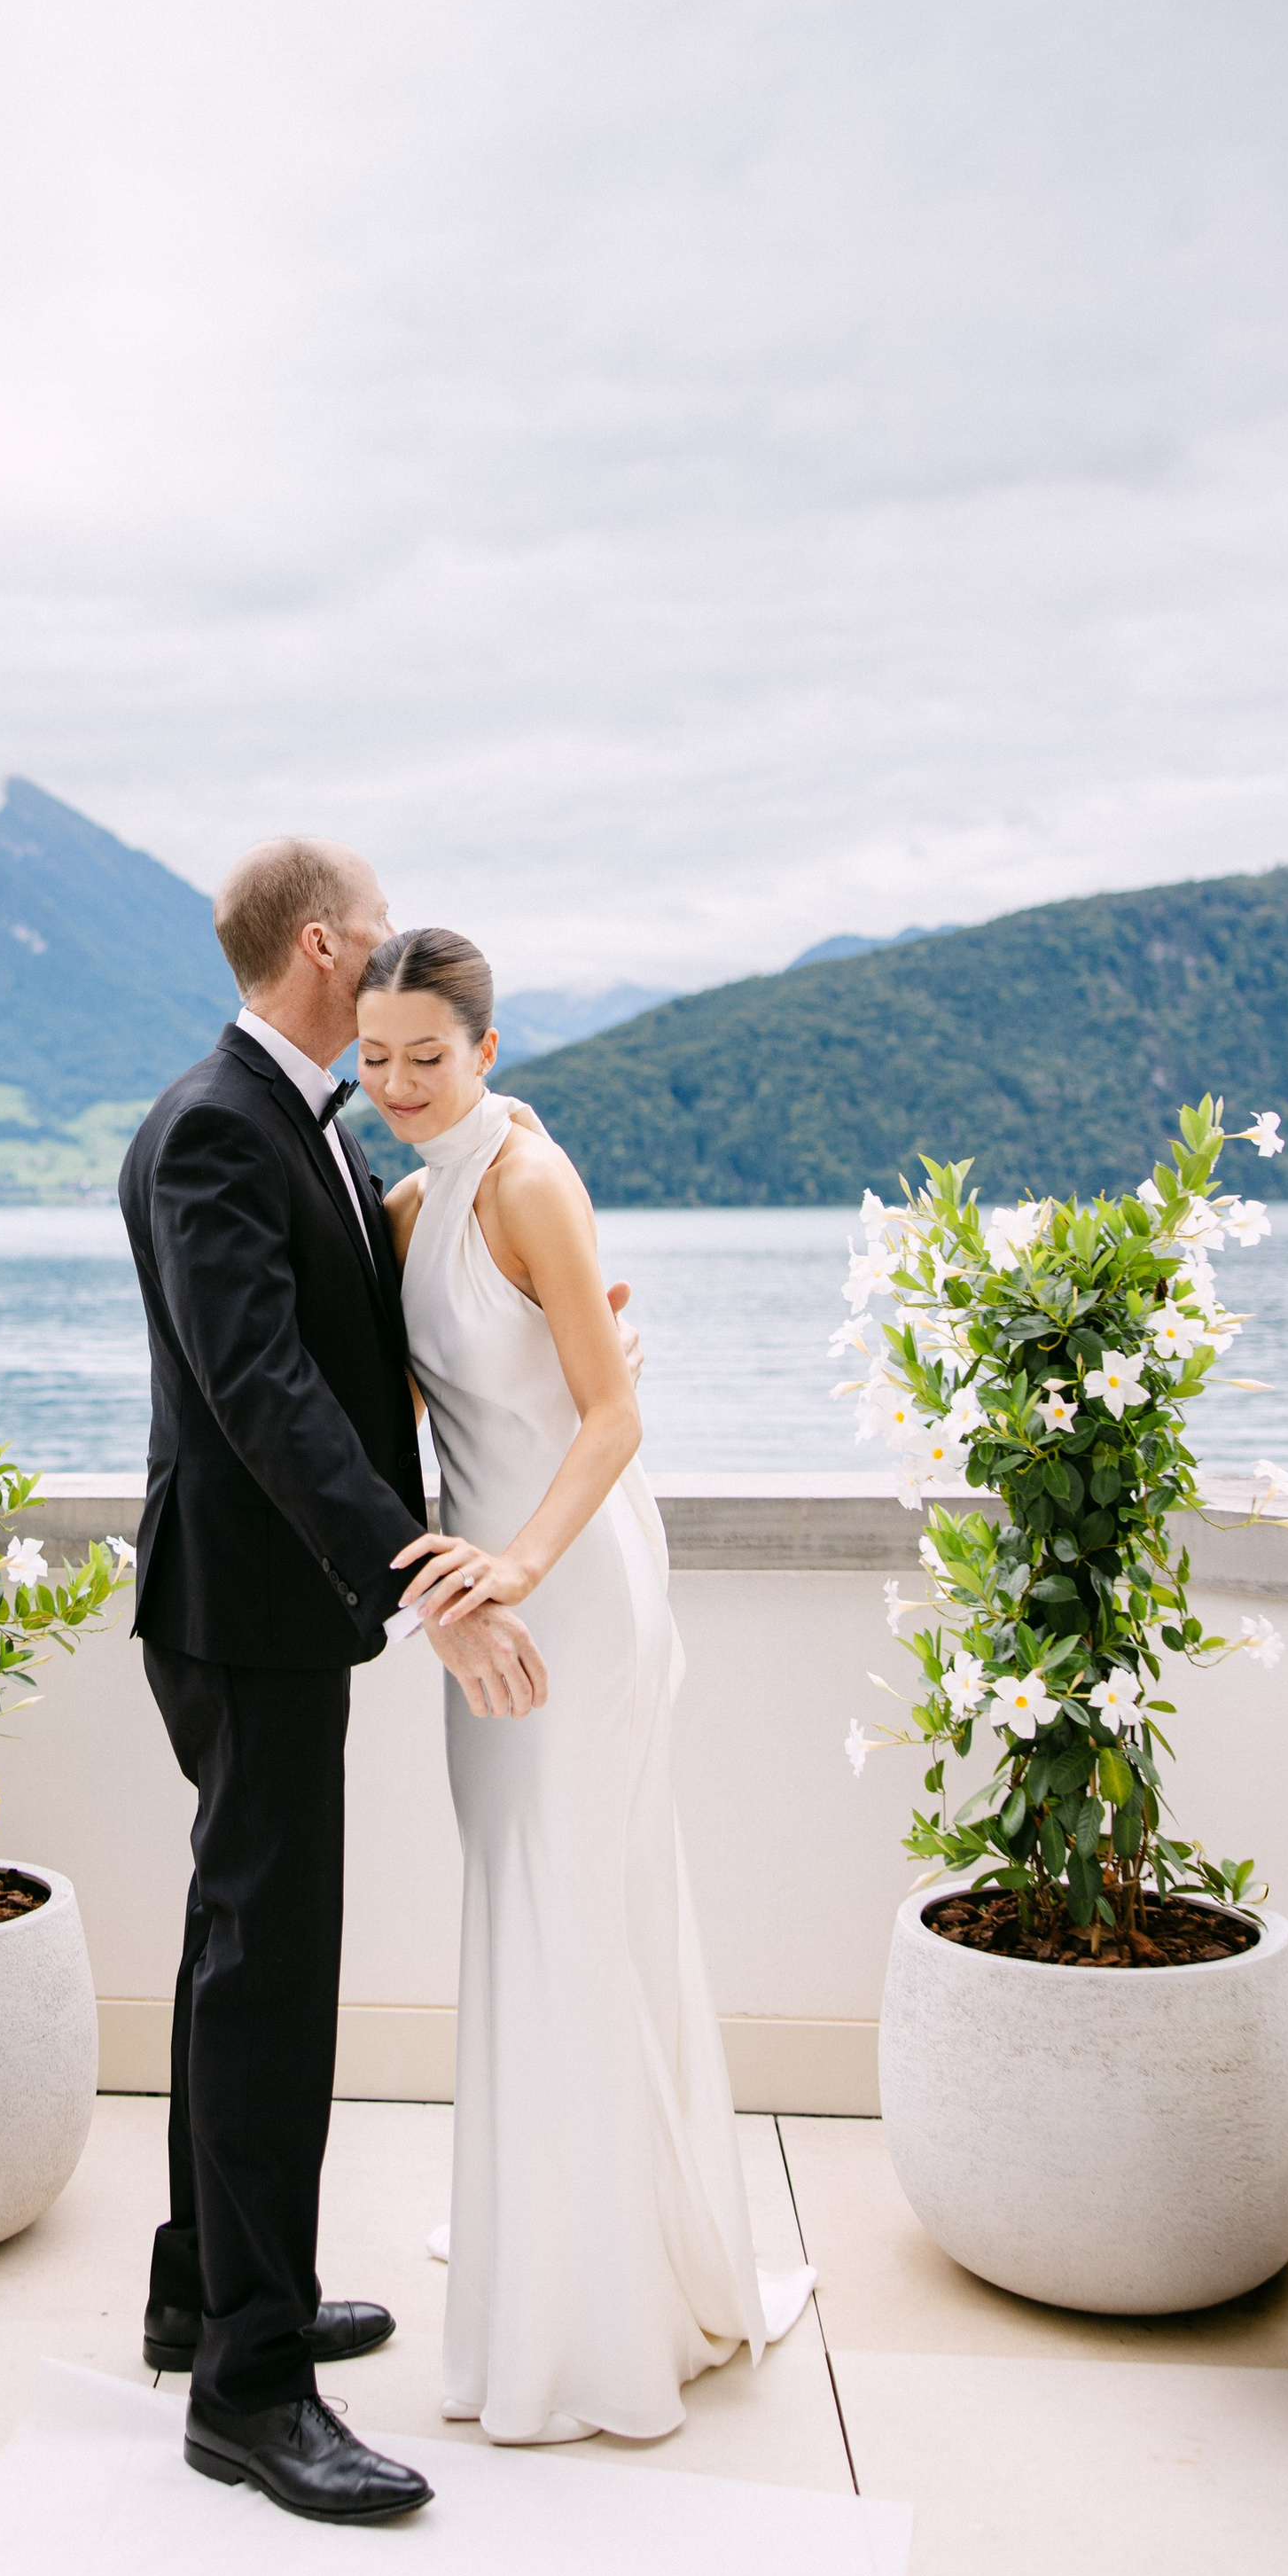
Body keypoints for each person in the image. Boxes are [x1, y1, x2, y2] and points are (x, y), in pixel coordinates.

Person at [118, 839, 550, 2526]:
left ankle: (203, 2289)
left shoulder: (265, 1115)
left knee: (233, 1946)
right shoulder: (224, 1123)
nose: (385, 960)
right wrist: (426, 1575)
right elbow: (263, 1389)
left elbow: (349, 1328)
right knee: (272, 1977)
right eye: (373, 937)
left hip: (251, 1606)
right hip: (252, 1610)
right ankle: (251, 2388)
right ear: (324, 944)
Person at [360, 925, 816, 2445]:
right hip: (472, 1602)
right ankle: (541, 2253)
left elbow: (608, 1416)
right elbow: (420, 1400)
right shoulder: (410, 1199)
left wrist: (518, 1568)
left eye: (431, 1053)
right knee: (521, 1906)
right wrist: (444, 1578)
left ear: (488, 1050)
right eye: (374, 1056)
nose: (401, 1081)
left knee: (573, 1901)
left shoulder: (532, 1182)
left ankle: (596, 2309)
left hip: (569, 1593)